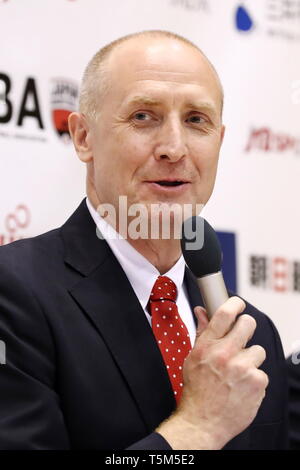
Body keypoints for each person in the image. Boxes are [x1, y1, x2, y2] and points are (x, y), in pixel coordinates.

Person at [0, 30, 288, 450]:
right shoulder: (14, 293)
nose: (174, 147)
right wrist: (198, 427)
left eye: (196, 121)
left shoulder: (253, 336)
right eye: (143, 117)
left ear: (220, 142)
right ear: (83, 137)